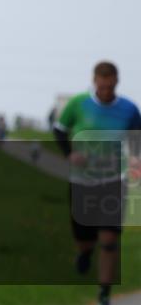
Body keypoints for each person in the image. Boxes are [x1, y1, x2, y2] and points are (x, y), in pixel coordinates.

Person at [52, 61, 141, 305]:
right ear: (94, 82)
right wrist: (69, 153)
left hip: (114, 179)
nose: (104, 92)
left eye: (109, 87)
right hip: (82, 180)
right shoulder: (78, 104)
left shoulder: (129, 109)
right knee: (84, 237)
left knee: (110, 240)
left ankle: (104, 293)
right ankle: (84, 252)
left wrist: (136, 163)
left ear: (116, 83)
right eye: (101, 86)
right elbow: (59, 129)